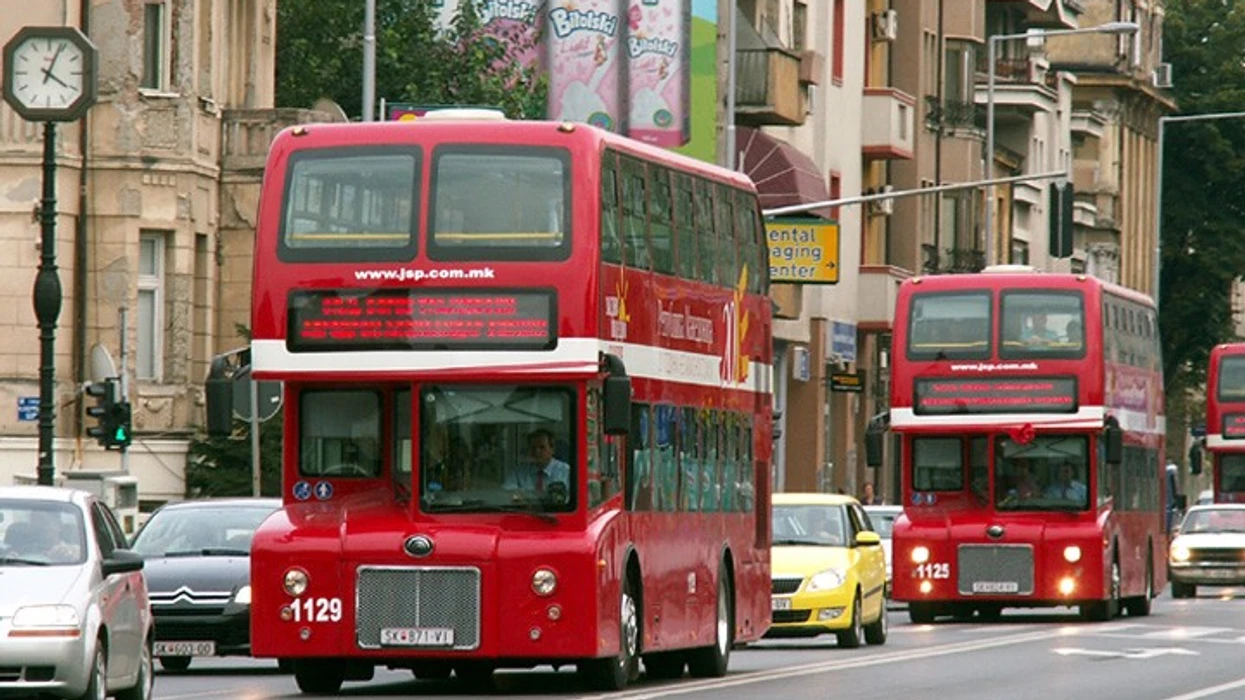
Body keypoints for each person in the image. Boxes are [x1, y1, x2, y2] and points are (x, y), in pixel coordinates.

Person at [503, 428, 570, 494]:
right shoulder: (518, 472)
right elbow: (506, 493)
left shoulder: (566, 471)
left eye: (542, 447)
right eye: (533, 447)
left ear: (552, 450)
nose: (537, 451)